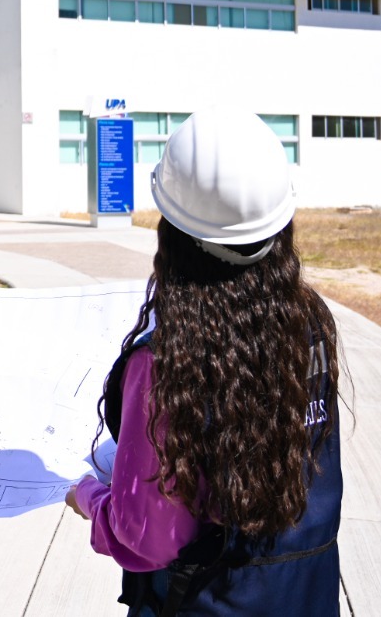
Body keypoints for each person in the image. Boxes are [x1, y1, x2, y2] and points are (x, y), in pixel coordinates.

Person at [64, 108, 343, 617]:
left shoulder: (169, 361)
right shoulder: (311, 322)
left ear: (172, 233)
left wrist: (88, 498)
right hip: (303, 594)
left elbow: (148, 539)